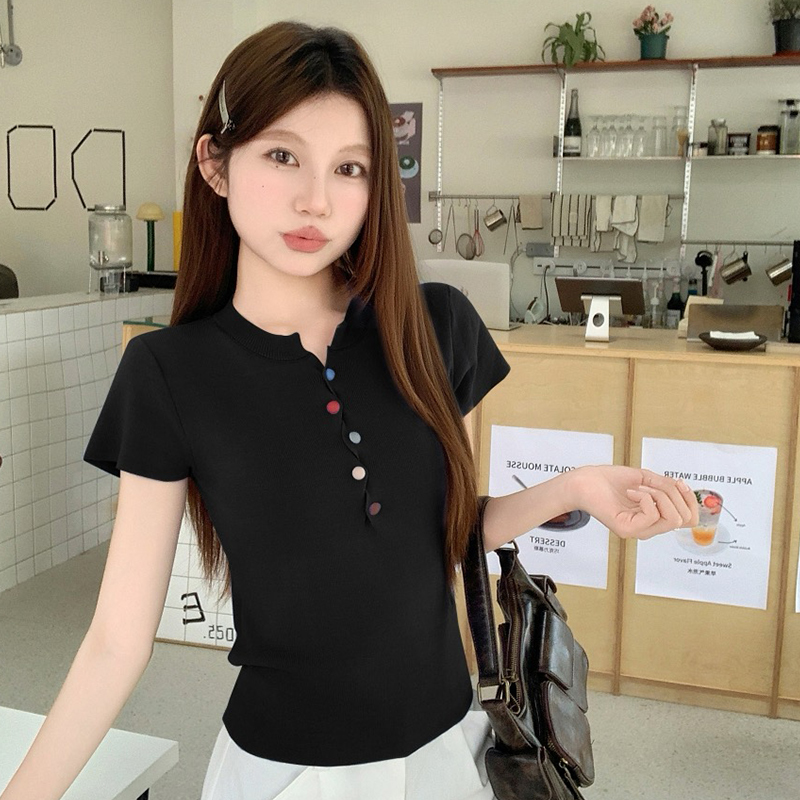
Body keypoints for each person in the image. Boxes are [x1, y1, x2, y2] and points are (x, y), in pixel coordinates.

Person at [0, 20, 699, 800]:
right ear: (215, 163)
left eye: (350, 168)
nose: (317, 200)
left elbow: (442, 537)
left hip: (447, 753)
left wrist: (575, 488)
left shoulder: (433, 327)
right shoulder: (168, 373)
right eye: (282, 156)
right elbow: (115, 641)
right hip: (285, 771)